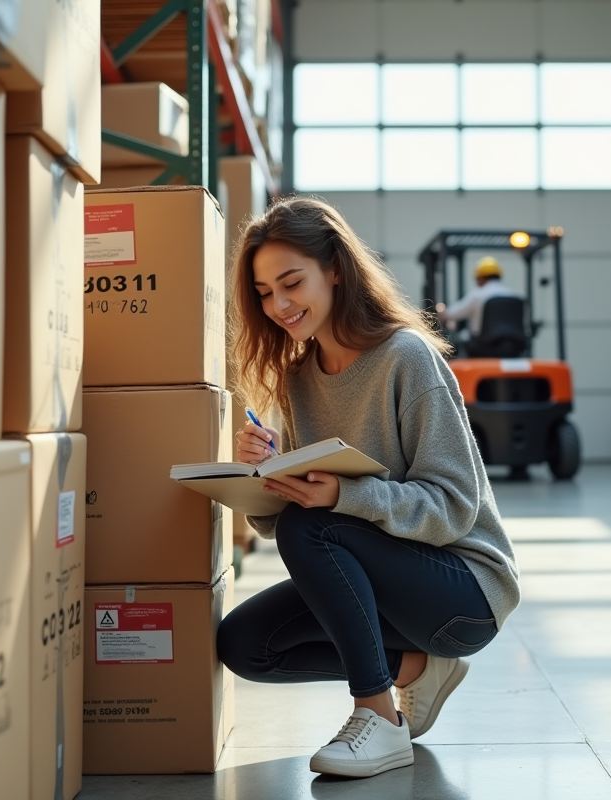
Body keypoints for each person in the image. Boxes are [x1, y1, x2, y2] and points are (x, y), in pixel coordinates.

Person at [217, 197, 520, 780]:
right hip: (383, 588)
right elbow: (290, 528)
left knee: (314, 523)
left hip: (464, 591)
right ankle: (414, 669)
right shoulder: (298, 378)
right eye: (264, 292)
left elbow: (455, 506)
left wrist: (341, 496)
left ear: (335, 269)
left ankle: (378, 716)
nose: (278, 305)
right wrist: (268, 475)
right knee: (245, 644)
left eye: (291, 283)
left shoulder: (406, 358)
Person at [434, 256, 519, 337]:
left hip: (483, 343)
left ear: (480, 278)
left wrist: (440, 310)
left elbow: (451, 314)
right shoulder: (513, 296)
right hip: (514, 343)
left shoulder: (477, 295)